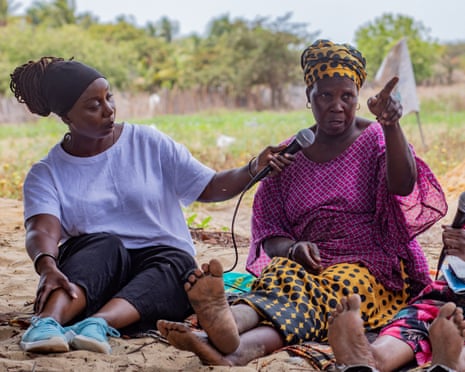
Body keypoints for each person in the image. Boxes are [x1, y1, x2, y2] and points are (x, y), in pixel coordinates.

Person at [156, 39, 447, 366]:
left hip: (373, 265)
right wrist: (293, 249)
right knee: (282, 273)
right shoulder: (288, 156)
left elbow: (404, 184)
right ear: (309, 97)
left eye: (347, 96)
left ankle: (232, 340)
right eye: (325, 95)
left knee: (332, 290)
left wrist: (391, 125)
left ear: (358, 99)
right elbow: (270, 231)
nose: (336, 105)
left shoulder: (376, 138)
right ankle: (229, 324)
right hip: (308, 262)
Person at [10, 56, 293, 355]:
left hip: (156, 279)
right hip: (92, 275)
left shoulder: (148, 142)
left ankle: (96, 325)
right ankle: (46, 324)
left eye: (109, 97)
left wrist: (252, 168)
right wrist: (47, 265)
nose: (108, 110)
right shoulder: (48, 172)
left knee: (180, 264)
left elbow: (208, 185)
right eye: (93, 106)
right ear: (67, 116)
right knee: (105, 246)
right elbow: (41, 230)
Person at [327, 224, 465, 372]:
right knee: (420, 315)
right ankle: (375, 356)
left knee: (450, 323)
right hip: (454, 288)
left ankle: (455, 361)